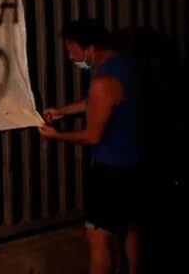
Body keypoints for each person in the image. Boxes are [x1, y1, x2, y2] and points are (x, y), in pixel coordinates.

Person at [39, 18, 140, 274]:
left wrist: (56, 136)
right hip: (134, 165)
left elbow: (92, 136)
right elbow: (95, 102)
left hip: (110, 170)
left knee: (97, 237)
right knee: (128, 228)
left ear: (90, 48)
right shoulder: (123, 65)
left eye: (73, 51)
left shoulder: (102, 82)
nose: (71, 57)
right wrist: (63, 111)